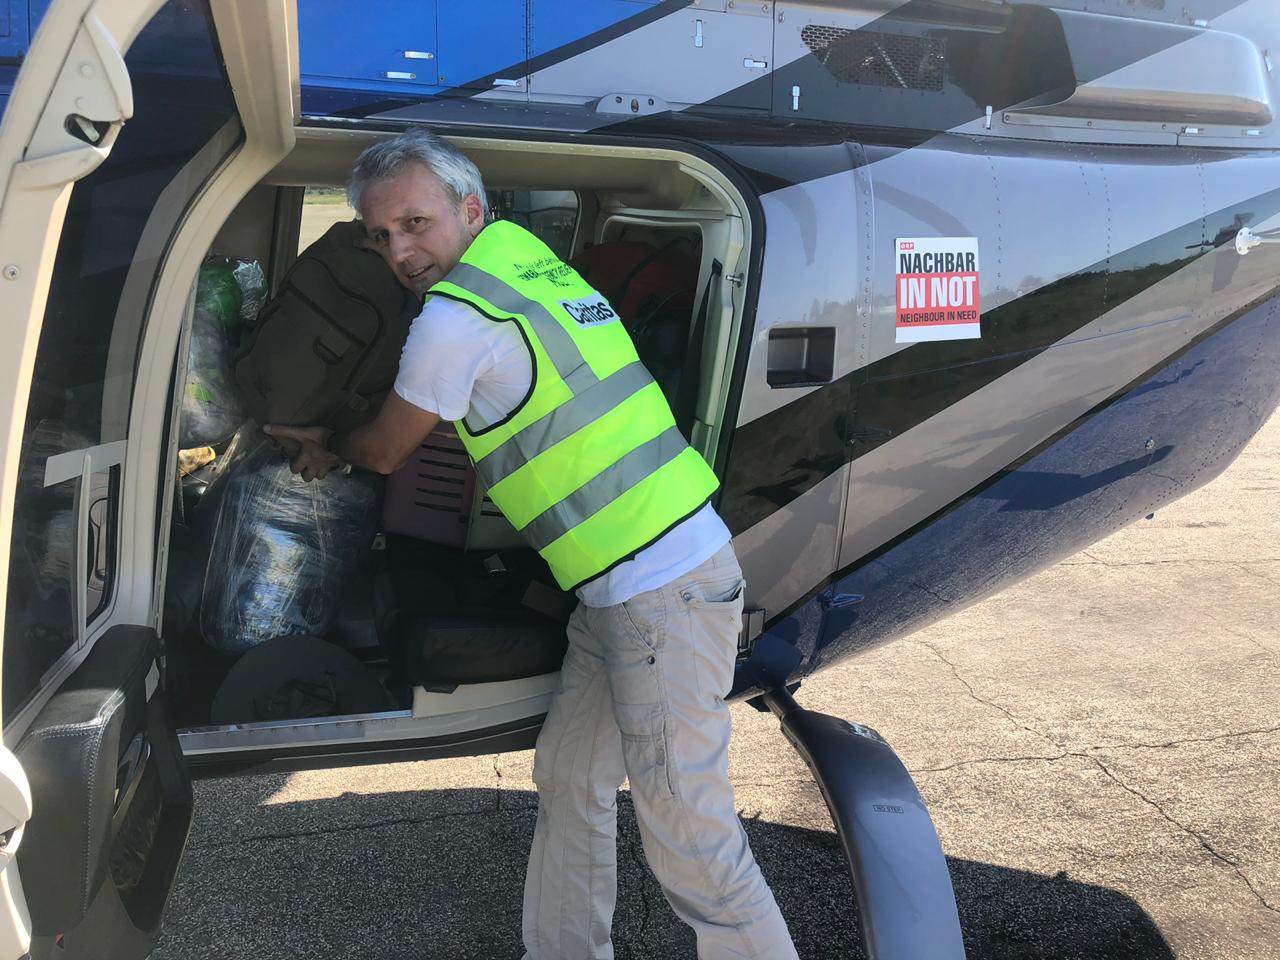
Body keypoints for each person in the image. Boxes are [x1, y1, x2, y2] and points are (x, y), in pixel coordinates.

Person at [266, 128, 798, 960]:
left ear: (469, 209)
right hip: (622, 584)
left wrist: (325, 440)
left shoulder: (454, 319)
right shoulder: (521, 257)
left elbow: (387, 451)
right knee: (572, 777)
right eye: (380, 235)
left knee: (688, 831)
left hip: (661, 587)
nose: (400, 252)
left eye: (415, 224)